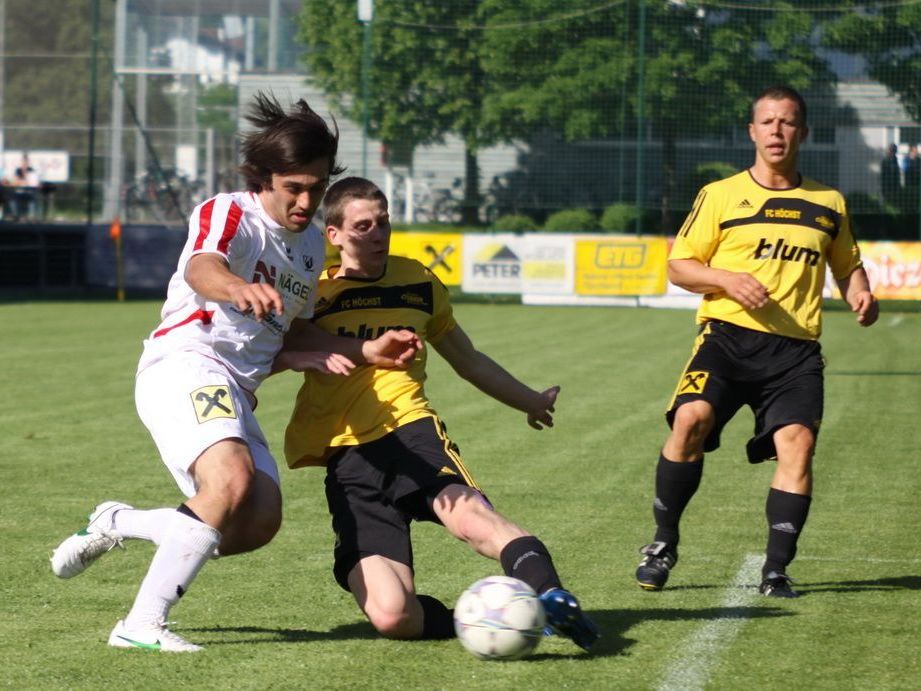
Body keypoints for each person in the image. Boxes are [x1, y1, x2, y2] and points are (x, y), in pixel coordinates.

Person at [49, 94, 421, 652]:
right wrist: (238, 288)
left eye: (317, 187)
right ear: (265, 178)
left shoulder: (313, 246)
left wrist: (367, 351)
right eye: (294, 186)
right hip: (186, 363)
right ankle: (140, 624)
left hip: (237, 391)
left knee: (256, 524)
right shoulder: (230, 212)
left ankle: (118, 521)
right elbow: (204, 267)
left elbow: (294, 331)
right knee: (230, 480)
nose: (306, 200)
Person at [283, 177, 599, 650]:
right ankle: (489, 620)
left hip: (411, 433)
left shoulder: (419, 281)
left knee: (473, 519)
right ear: (334, 235)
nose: (376, 233)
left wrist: (529, 400)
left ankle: (552, 595)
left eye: (383, 222)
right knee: (393, 616)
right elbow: (279, 348)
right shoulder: (313, 293)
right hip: (348, 460)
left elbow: (467, 360)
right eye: (363, 225)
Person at [634, 85, 878, 598]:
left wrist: (861, 294)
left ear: (803, 133)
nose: (776, 131)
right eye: (767, 122)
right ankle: (662, 542)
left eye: (787, 122)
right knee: (690, 420)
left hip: (794, 354)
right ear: (752, 131)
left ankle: (776, 570)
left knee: (799, 447)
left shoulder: (828, 203)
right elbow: (680, 266)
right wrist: (726, 279)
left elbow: (847, 265)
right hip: (725, 339)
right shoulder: (720, 195)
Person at [13, 152, 40, 220]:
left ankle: (31, 217)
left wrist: (24, 181)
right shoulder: (18, 170)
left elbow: (33, 181)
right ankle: (16, 216)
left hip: (29, 191)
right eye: (23, 161)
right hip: (19, 191)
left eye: (26, 161)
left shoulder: (31, 170)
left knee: (32, 199)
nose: (25, 163)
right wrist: (23, 181)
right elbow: (16, 181)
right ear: (21, 162)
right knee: (13, 200)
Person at [880, 142, 902, 208]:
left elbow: (896, 173)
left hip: (894, 186)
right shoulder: (886, 160)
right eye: (892, 150)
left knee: (893, 203)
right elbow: (883, 174)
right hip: (887, 185)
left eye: (894, 150)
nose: (893, 152)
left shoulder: (895, 160)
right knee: (887, 203)